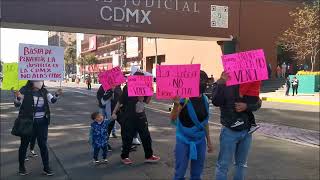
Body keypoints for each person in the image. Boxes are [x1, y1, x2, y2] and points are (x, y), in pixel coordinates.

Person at [212, 72, 262, 180]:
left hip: (246, 131)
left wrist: (247, 106)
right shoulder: (223, 81)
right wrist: (221, 82)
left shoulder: (248, 79)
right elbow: (216, 101)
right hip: (229, 130)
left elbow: (258, 103)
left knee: (241, 164)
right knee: (223, 165)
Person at [170, 70, 213, 180]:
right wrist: (175, 104)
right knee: (180, 173)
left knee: (197, 173)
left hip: (200, 141)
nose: (203, 84)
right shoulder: (184, 99)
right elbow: (173, 119)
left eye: (204, 81)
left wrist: (209, 141)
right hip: (183, 141)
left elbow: (205, 122)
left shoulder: (205, 99)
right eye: (200, 81)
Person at [14, 80, 62, 176]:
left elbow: (52, 101)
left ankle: (46, 167)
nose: (40, 82)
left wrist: (57, 94)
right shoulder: (24, 90)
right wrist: (18, 97)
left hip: (42, 122)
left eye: (41, 80)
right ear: (32, 81)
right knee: (24, 145)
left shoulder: (44, 91)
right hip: (28, 123)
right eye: (38, 80)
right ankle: (21, 167)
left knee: (43, 145)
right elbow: (17, 104)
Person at [112, 71, 160, 165]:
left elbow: (147, 102)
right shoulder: (128, 87)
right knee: (127, 137)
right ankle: (124, 156)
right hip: (128, 116)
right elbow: (120, 101)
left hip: (141, 116)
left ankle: (149, 156)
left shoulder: (146, 86)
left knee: (146, 136)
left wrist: (150, 93)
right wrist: (114, 112)